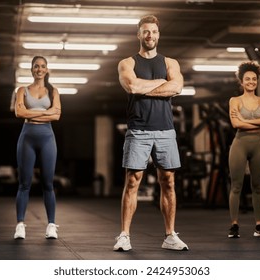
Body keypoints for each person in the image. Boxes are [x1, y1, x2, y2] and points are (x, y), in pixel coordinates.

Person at [113, 15, 188, 251]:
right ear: (138, 34)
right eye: (146, 32)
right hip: (138, 130)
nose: (150, 36)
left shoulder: (170, 63)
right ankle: (124, 235)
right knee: (133, 182)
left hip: (166, 130)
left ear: (158, 34)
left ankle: (170, 236)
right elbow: (132, 86)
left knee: (168, 182)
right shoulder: (127, 63)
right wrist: (161, 85)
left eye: (154, 32)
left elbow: (176, 87)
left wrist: (147, 87)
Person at [13, 56, 61, 239]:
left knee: (48, 183)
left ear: (46, 69)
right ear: (31, 70)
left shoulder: (54, 91)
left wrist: (32, 114)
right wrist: (45, 112)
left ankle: (51, 225)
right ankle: (20, 225)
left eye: (42, 66)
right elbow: (19, 112)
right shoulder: (22, 90)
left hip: (47, 138)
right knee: (24, 183)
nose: (39, 69)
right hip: (27, 138)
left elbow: (57, 116)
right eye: (36, 66)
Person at [227, 61, 260, 238]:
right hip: (240, 144)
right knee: (236, 186)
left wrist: (247, 121)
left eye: (254, 79)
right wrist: (257, 121)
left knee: (257, 187)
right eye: (247, 79)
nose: (251, 81)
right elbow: (235, 123)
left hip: (257, 145)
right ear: (241, 81)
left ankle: (259, 226)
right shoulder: (235, 101)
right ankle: (234, 225)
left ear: (257, 81)